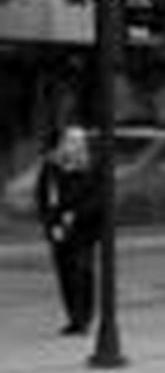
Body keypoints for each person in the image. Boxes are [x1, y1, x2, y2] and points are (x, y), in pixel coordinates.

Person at [34, 126, 104, 335]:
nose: (73, 145)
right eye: (69, 141)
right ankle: (73, 318)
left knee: (82, 271)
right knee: (64, 273)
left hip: (84, 230)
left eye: (78, 141)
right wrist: (51, 223)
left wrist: (76, 215)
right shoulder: (52, 166)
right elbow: (42, 196)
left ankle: (84, 318)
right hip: (58, 229)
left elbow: (99, 198)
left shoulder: (92, 166)